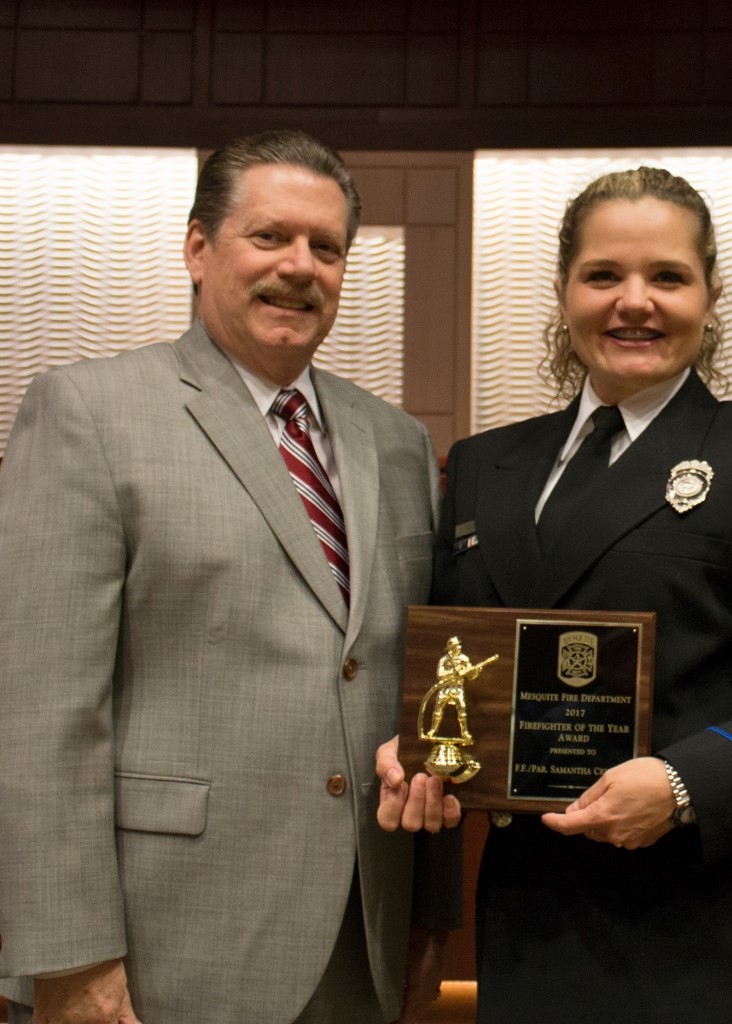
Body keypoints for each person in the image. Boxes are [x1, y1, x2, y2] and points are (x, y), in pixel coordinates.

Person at [377, 166, 732, 1023]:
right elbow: (456, 668)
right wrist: (418, 750)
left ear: (710, 297)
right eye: (604, 275)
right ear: (564, 291)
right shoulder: (484, 468)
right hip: (524, 942)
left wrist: (685, 784)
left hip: (701, 947)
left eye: (668, 277)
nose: (634, 302)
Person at [0, 130, 460, 1024]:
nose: (301, 267)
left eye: (327, 248)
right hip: (161, 946)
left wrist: (427, 918)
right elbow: (40, 713)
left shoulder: (396, 444)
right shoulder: (88, 413)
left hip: (359, 943)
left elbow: (421, 686)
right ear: (198, 248)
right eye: (271, 236)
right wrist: (66, 958)